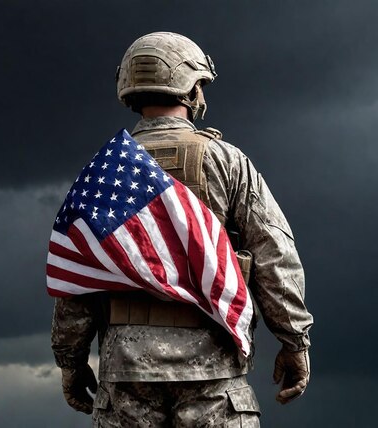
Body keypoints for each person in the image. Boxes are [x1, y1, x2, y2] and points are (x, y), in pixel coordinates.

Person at [51, 31, 314, 427]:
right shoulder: (225, 161)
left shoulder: (103, 173)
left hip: (126, 376)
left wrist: (70, 363)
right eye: (201, 87)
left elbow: (75, 281)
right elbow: (274, 255)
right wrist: (294, 341)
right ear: (190, 88)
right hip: (214, 374)